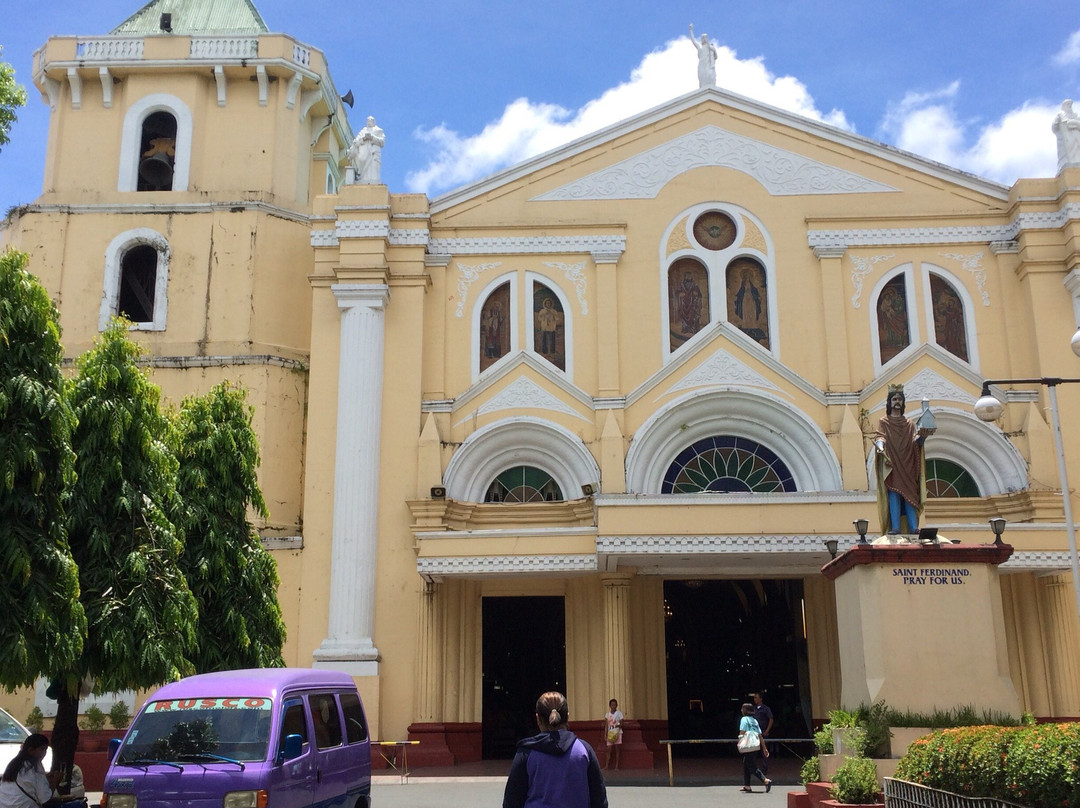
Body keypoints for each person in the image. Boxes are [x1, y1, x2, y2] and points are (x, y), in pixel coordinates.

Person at [503, 691, 607, 808]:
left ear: (538, 718)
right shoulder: (584, 750)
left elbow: (512, 801)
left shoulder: (526, 753)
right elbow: (599, 799)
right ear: (567, 716)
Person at [874, 385, 929, 535]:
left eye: (900, 399)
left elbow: (915, 442)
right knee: (894, 493)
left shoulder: (909, 423)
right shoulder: (884, 422)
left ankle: (913, 527)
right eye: (894, 399)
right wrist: (880, 447)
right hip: (892, 463)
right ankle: (895, 527)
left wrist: (923, 436)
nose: (897, 402)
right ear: (889, 402)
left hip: (908, 463)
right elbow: (880, 436)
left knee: (910, 495)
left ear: (903, 402)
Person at [0, 734, 60, 808]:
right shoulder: (34, 766)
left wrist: (46, 778)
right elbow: (45, 799)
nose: (44, 753)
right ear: (31, 750)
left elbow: (28, 783)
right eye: (42, 749)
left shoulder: (14, 764)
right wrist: (54, 782)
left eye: (46, 749)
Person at [737, 703, 771, 794]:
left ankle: (765, 780)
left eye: (742, 709)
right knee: (746, 764)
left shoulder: (744, 719)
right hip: (755, 745)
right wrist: (764, 748)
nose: (741, 710)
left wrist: (739, 741)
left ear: (745, 710)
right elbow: (760, 736)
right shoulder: (755, 720)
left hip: (748, 745)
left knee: (751, 766)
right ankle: (747, 785)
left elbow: (742, 732)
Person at [348, 116, 386, 184]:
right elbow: (356, 142)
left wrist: (372, 137)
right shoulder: (363, 131)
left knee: (373, 167)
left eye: (371, 120)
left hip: (374, 152)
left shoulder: (378, 130)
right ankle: (362, 178)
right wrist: (364, 138)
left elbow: (382, 142)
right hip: (363, 152)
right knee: (362, 164)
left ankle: (374, 180)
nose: (369, 122)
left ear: (374, 121)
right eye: (368, 120)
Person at [1052, 99, 1080, 169]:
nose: (1070, 106)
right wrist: (1075, 123)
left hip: (1076, 136)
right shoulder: (1061, 114)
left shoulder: (1075, 115)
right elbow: (1064, 123)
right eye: (1068, 104)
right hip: (1066, 138)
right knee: (1067, 153)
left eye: (1070, 105)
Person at [751, 692, 773, 770]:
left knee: (764, 750)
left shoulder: (766, 708)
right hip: (754, 733)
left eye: (756, 697)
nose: (755, 699)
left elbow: (771, 719)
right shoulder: (753, 709)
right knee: (753, 751)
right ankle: (752, 768)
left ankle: (764, 768)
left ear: (761, 699)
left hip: (763, 732)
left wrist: (767, 730)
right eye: (754, 698)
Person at [601, 698, 622, 771]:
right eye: (612, 705)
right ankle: (606, 765)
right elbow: (606, 725)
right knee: (608, 749)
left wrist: (617, 725)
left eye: (614, 705)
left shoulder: (619, 713)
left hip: (617, 733)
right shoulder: (607, 714)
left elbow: (621, 723)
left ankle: (617, 766)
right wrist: (605, 734)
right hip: (610, 733)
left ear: (616, 705)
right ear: (610, 706)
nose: (613, 706)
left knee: (617, 749)